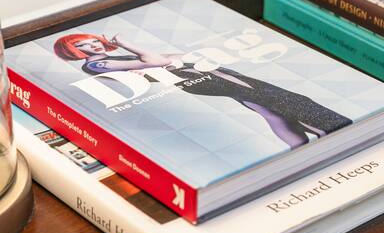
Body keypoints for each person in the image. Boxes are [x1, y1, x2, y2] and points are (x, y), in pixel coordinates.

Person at [53, 32, 351, 149]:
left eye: (92, 41)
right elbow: (158, 61)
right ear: (72, 52)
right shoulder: (97, 65)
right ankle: (326, 129)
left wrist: (162, 59)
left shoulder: (105, 59)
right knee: (280, 101)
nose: (92, 45)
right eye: (82, 45)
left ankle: (301, 146)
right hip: (195, 79)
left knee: (267, 108)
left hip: (197, 74)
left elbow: (169, 57)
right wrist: (127, 44)